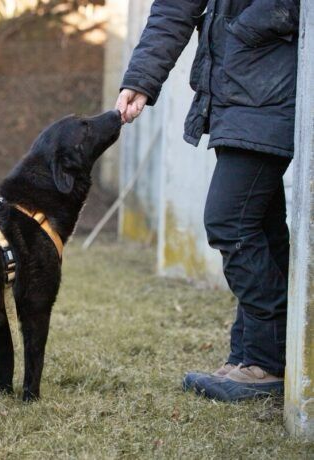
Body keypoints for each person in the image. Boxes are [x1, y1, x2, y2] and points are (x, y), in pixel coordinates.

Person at [115, 0, 301, 402]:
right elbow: (173, 8)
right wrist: (142, 80)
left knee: (229, 220)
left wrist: (255, 24)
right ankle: (251, 356)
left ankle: (268, 360)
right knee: (262, 228)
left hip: (267, 89)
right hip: (238, 89)